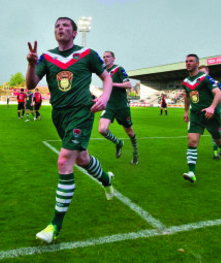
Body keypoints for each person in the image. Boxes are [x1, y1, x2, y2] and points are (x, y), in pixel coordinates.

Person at [26, 16, 113, 244]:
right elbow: (30, 85)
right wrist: (32, 64)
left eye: (65, 25)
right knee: (82, 159)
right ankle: (105, 179)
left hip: (82, 112)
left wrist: (104, 97)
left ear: (74, 33)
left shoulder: (87, 54)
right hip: (59, 115)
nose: (60, 28)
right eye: (57, 25)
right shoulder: (46, 57)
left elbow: (107, 77)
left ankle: (55, 225)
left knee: (64, 160)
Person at [182, 54, 221, 183]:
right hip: (196, 115)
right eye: (187, 61)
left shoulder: (205, 78)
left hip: (210, 114)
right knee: (192, 141)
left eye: (191, 61)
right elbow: (188, 97)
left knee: (219, 142)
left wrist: (211, 107)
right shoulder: (185, 82)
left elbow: (219, 93)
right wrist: (186, 111)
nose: (188, 63)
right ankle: (191, 172)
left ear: (197, 64)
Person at [98, 51, 139, 165]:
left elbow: (129, 85)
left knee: (130, 132)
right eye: (104, 57)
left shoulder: (119, 69)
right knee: (102, 129)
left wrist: (114, 84)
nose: (105, 59)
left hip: (121, 106)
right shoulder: (104, 72)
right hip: (109, 105)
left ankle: (135, 152)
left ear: (113, 58)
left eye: (108, 57)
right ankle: (118, 142)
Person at [199, 65, 221, 160]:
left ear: (207, 72)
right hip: (204, 111)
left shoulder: (215, 83)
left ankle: (219, 147)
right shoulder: (199, 85)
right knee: (212, 132)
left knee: (216, 132)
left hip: (216, 110)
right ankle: (217, 150)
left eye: (203, 72)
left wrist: (218, 98)